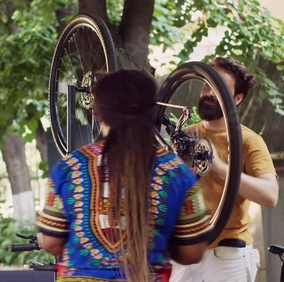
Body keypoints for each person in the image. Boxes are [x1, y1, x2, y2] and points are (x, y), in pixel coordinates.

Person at [36, 69, 214, 282]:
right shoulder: (177, 174)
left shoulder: (69, 168)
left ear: (100, 112)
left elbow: (51, 243)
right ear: (151, 110)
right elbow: (192, 252)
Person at [170, 56, 279, 282]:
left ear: (237, 98)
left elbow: (270, 195)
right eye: (207, 84)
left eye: (219, 87)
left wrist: (219, 167)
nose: (210, 92)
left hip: (228, 255)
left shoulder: (248, 140)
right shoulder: (188, 134)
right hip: (187, 251)